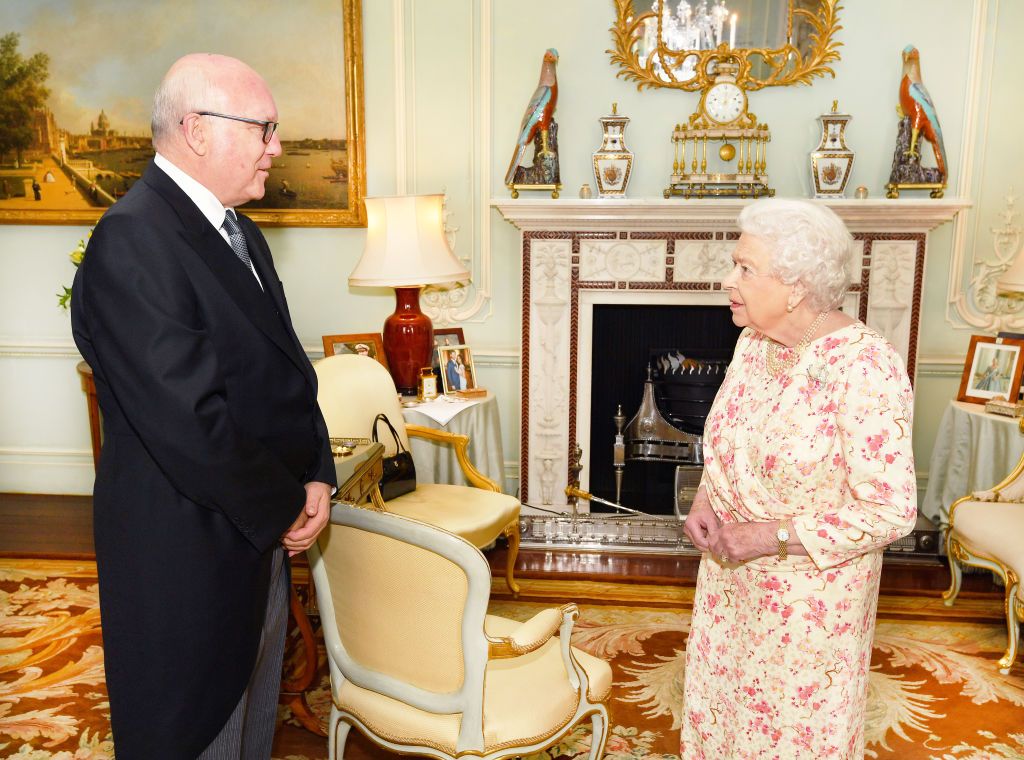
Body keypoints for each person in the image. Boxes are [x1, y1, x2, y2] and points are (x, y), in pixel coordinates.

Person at [70, 54, 336, 759]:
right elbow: (191, 423)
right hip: (187, 556)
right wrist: (286, 502)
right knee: (197, 734)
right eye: (265, 129)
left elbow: (286, 372)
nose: (276, 147)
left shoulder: (237, 229)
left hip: (256, 538)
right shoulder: (134, 239)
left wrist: (316, 473)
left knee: (250, 731)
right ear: (196, 130)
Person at [681, 199, 916, 759]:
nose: (727, 280)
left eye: (744, 268)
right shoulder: (754, 341)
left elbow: (891, 511)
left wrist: (765, 537)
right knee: (724, 715)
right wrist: (707, 498)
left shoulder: (865, 368)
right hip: (729, 582)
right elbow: (731, 439)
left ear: (796, 286)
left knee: (790, 735)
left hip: (808, 607)